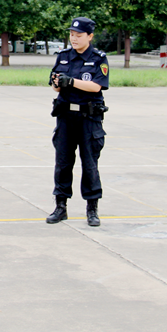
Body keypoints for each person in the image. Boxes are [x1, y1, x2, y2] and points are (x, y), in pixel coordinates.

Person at [47, 17, 109, 227]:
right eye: (72, 34)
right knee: (63, 163)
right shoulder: (63, 57)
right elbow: (55, 85)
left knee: (90, 164)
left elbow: (97, 87)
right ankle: (61, 206)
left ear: (90, 36)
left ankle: (92, 209)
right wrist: (58, 83)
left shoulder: (98, 58)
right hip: (66, 116)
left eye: (79, 35)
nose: (74, 38)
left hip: (88, 118)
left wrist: (71, 81)